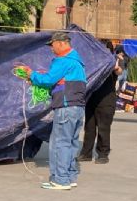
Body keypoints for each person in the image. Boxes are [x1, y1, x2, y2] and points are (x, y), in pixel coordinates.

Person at [20, 31, 87, 191]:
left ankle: (60, 180)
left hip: (65, 108)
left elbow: (48, 80)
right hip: (77, 108)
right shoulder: (78, 62)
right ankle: (70, 177)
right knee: (71, 142)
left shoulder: (63, 60)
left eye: (52, 45)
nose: (51, 48)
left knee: (59, 143)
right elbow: (59, 82)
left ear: (62, 43)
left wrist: (32, 75)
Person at [79, 43, 121, 164]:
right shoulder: (92, 63)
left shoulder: (112, 62)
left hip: (106, 100)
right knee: (89, 127)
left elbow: (118, 71)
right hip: (91, 98)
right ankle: (86, 153)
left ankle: (103, 154)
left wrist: (116, 68)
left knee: (103, 128)